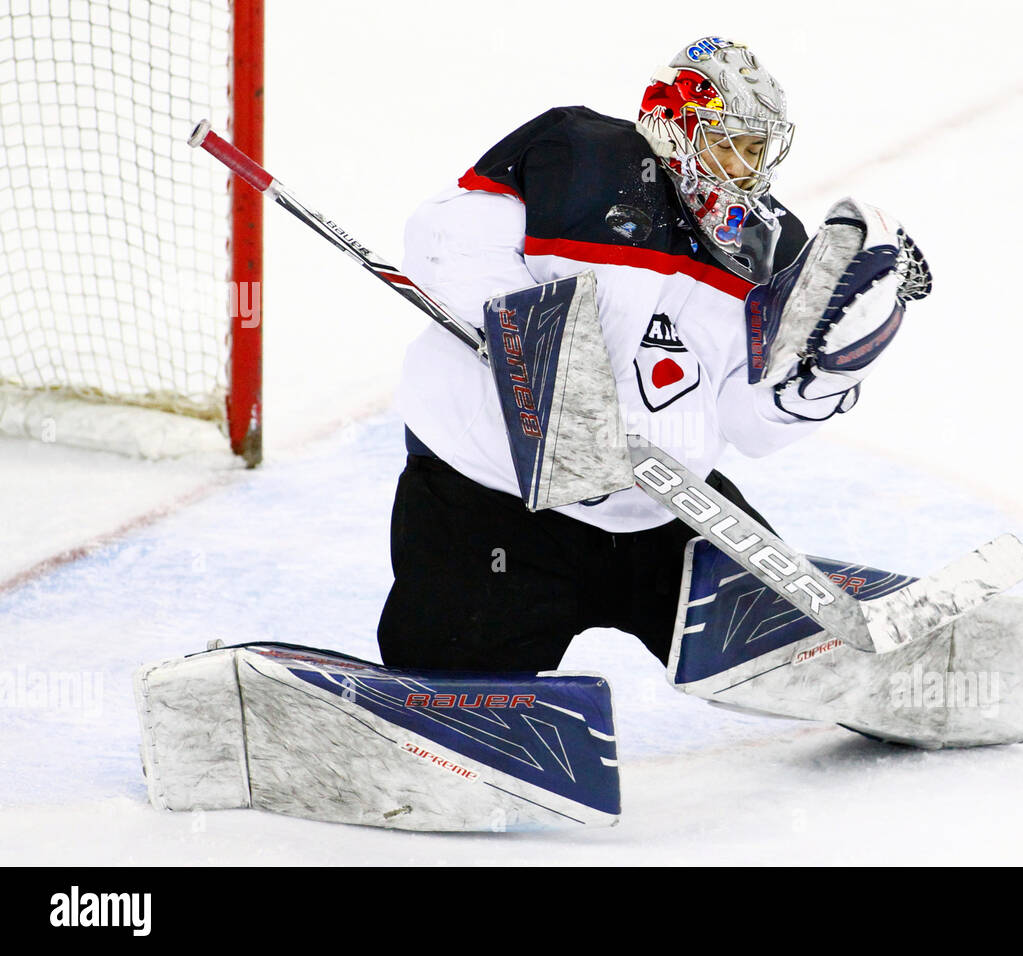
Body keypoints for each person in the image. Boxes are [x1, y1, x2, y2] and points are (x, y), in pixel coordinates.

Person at [377, 36, 922, 673]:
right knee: (450, 689)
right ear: (675, 125)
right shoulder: (578, 154)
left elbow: (748, 424)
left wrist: (820, 380)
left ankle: (894, 669)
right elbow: (444, 236)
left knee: (812, 661)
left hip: (665, 510)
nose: (745, 169)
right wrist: (549, 359)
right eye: (729, 144)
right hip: (494, 506)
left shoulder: (772, 246)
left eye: (756, 150)